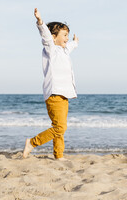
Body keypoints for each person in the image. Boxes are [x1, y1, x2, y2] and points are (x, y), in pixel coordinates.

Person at [23, 8, 79, 160]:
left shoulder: (64, 51)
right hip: (55, 93)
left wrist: (75, 42)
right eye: (64, 35)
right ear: (54, 37)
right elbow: (46, 36)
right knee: (60, 127)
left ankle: (58, 155)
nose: (67, 38)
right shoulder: (51, 49)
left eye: (68, 35)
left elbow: (69, 47)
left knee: (59, 128)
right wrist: (40, 22)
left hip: (64, 94)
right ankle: (32, 142)